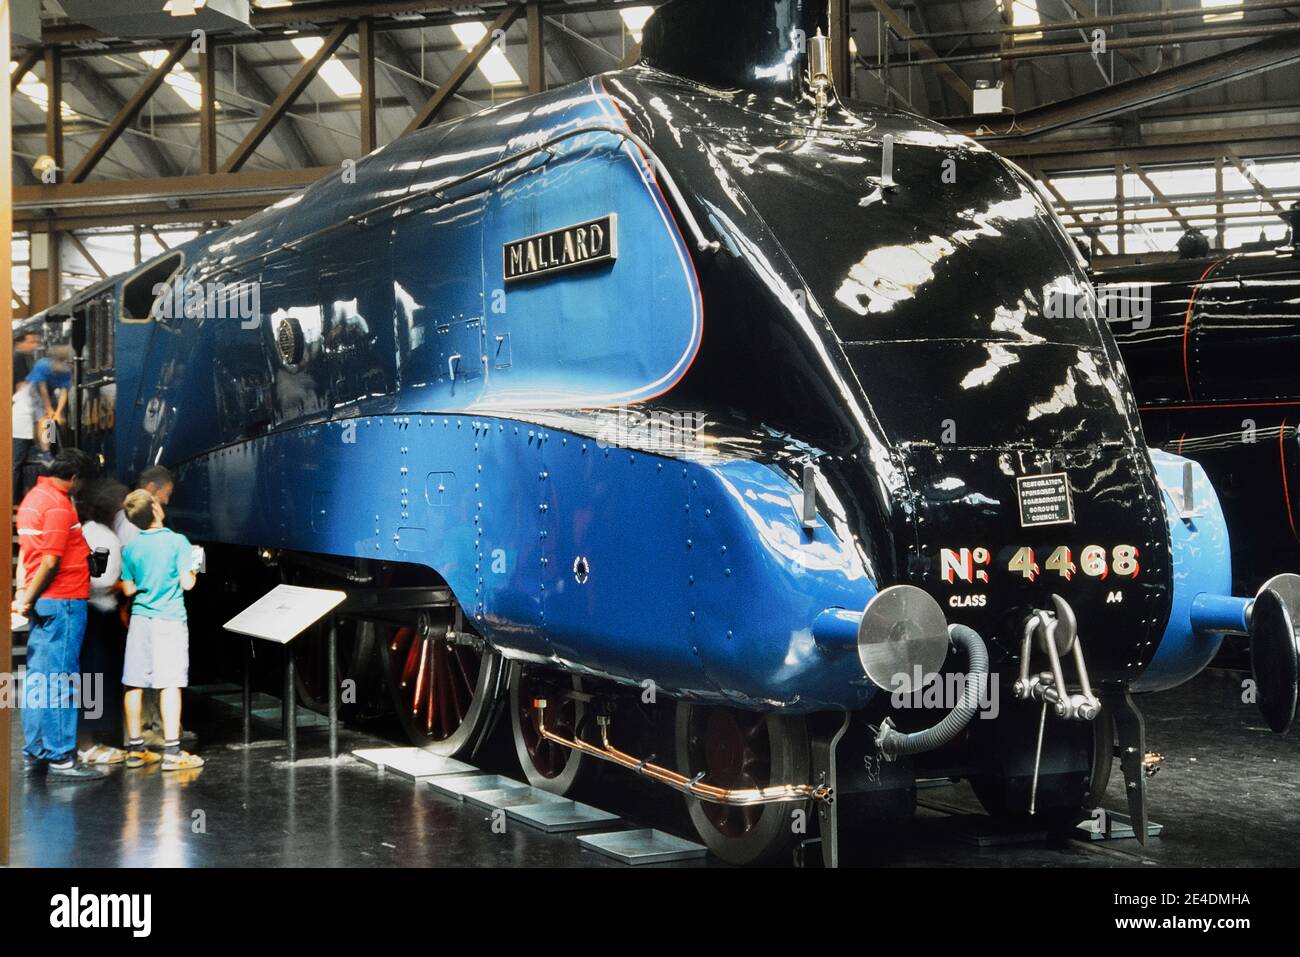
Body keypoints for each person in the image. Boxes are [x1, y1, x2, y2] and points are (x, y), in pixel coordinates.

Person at [12, 448, 106, 780]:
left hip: (45, 602)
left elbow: (28, 556)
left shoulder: (33, 499)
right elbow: (50, 562)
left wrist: (23, 594)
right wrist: (27, 599)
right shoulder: (57, 505)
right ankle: (61, 756)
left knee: (38, 679)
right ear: (74, 479)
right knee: (62, 680)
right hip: (63, 602)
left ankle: (35, 752)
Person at [120, 489, 204, 771]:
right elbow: (188, 584)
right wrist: (194, 567)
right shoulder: (177, 542)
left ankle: (134, 750)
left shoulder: (131, 548)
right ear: (155, 509)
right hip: (169, 619)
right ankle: (172, 752)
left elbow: (129, 588)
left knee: (134, 683)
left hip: (140, 619)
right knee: (170, 683)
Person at [75, 480, 130, 765]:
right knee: (97, 678)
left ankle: (88, 740)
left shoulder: (88, 531)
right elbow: (100, 579)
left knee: (90, 679)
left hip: (90, 614)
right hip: (100, 614)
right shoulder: (105, 538)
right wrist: (122, 586)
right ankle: (88, 744)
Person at [114, 465, 175, 548]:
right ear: (151, 487)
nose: (166, 501)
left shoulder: (124, 514)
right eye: (167, 494)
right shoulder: (133, 523)